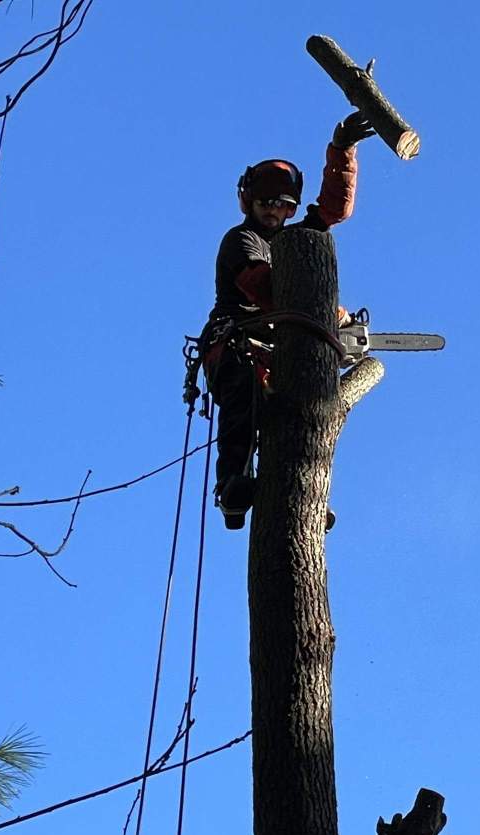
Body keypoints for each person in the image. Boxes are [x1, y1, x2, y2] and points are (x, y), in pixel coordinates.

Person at [201, 112, 375, 529]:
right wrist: (329, 314)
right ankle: (232, 484)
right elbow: (264, 289)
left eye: (283, 205)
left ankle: (306, 492)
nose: (274, 212)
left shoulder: (295, 242)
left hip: (282, 349)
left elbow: (332, 211)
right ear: (249, 202)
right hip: (238, 345)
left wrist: (343, 151)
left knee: (306, 415)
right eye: (267, 203)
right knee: (244, 403)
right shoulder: (241, 240)